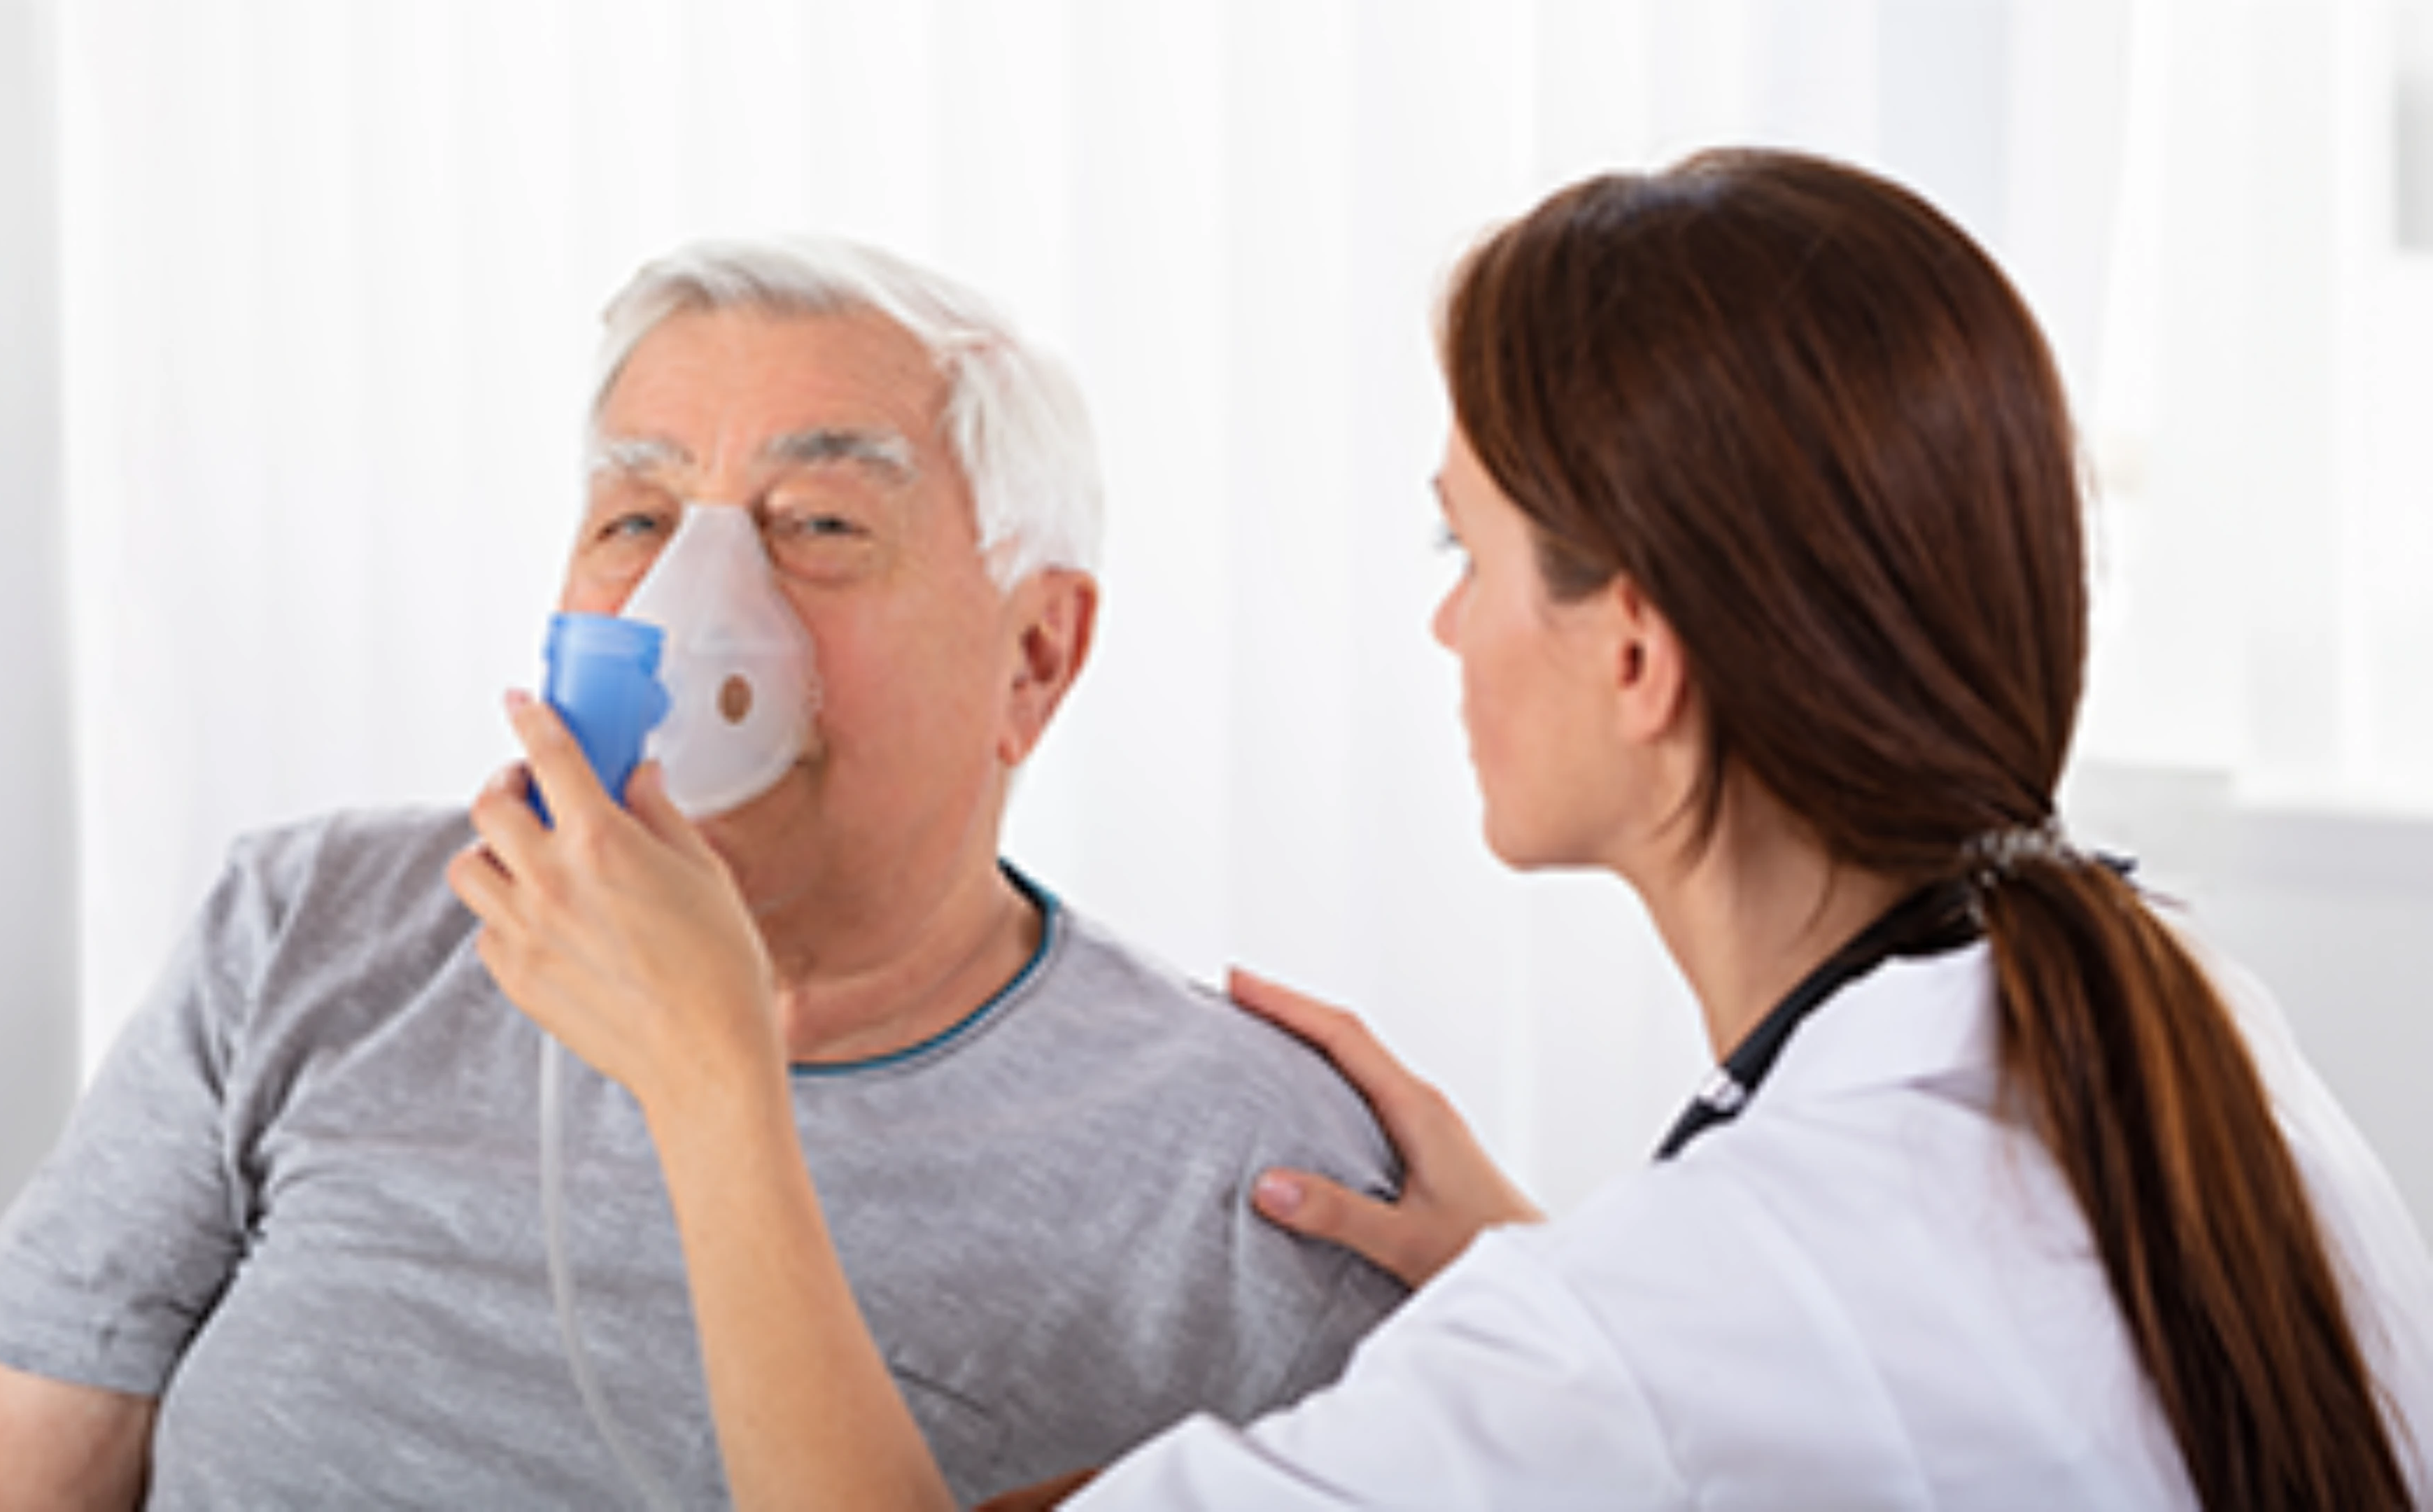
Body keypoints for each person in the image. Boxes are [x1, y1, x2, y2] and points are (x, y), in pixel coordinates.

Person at [470, 150, 2433, 1509]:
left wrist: (712, 1080)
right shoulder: (2183, 1023)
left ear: (1638, 651)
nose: (1441, 619)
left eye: (1463, 544)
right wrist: (1534, 1273)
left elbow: (1704, 1374)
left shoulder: (1657, 1334)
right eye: (640, 508)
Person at [0, 237, 1407, 1508]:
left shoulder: (1257, 1176)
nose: (693, 604)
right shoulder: (316, 937)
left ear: (1036, 656)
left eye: (819, 524)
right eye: (639, 515)